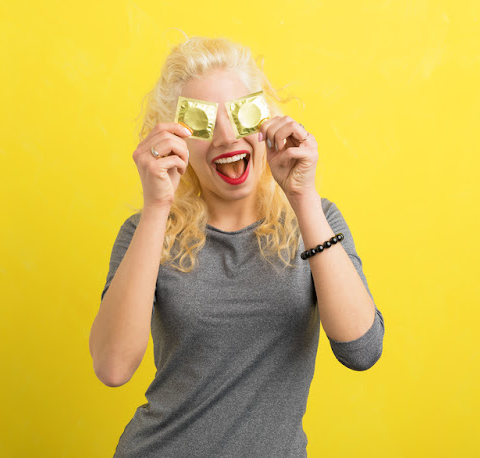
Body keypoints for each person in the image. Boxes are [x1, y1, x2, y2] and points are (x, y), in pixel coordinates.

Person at [89, 35, 385, 457]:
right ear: (178, 141)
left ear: (264, 122)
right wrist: (157, 207)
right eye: (205, 124)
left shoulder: (317, 221)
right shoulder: (148, 231)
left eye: (240, 116)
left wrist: (303, 198)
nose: (227, 139)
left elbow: (361, 350)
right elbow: (113, 367)